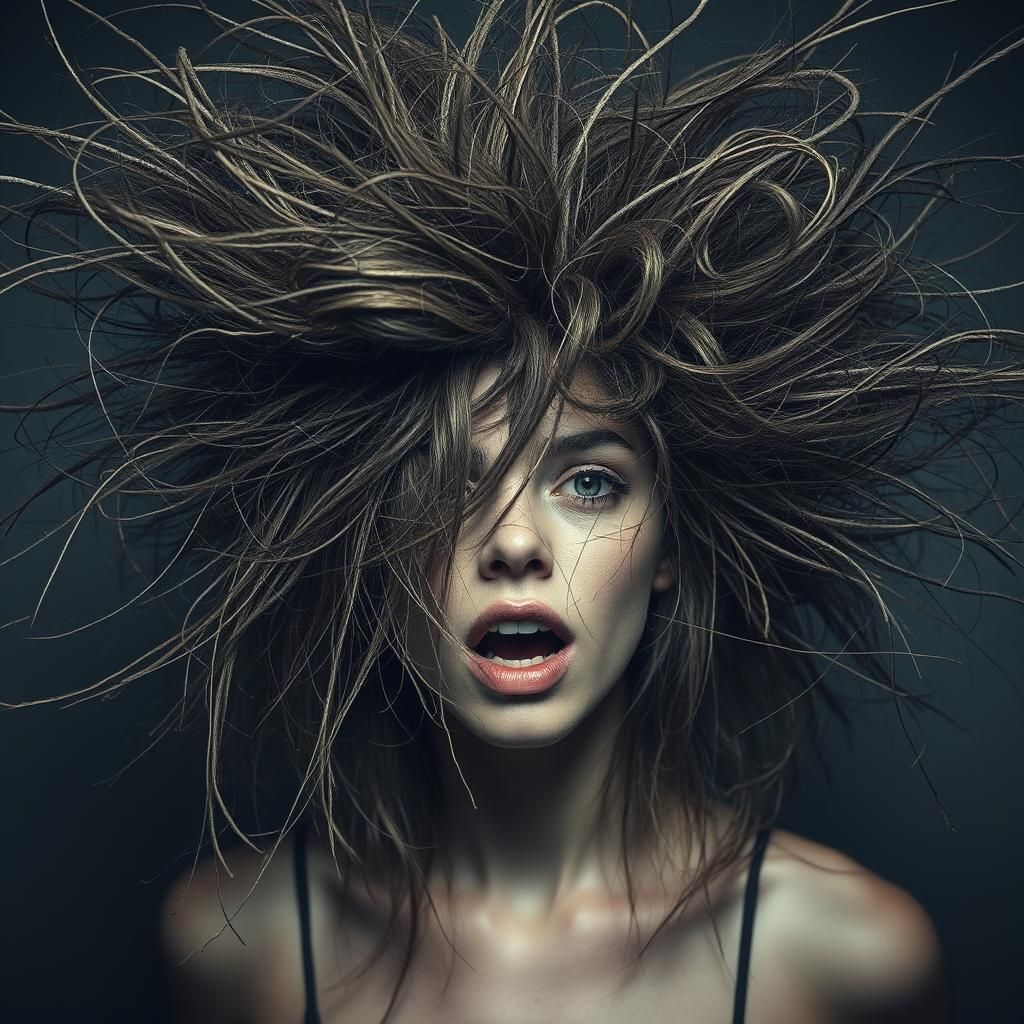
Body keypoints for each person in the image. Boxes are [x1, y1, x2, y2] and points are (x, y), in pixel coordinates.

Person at [2, 0, 1019, 1020]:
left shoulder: (842, 955)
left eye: (589, 482)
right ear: (366, 542)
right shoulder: (242, 940)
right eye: (447, 484)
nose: (517, 543)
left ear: (667, 542)